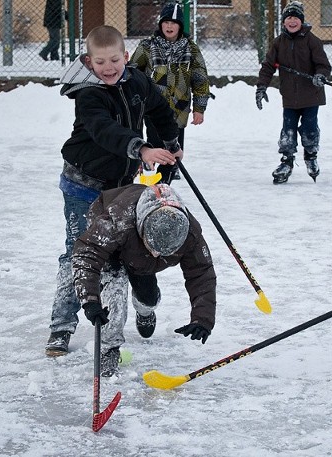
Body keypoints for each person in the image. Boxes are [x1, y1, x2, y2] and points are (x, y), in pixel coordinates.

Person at [45, 25, 183, 357]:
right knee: (79, 254)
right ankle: (61, 326)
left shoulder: (136, 80)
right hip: (83, 185)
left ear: (125, 56)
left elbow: (159, 110)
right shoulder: (89, 94)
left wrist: (170, 143)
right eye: (100, 62)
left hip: (119, 187)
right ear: (89, 62)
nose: (108, 68)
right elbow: (105, 130)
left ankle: (128, 313)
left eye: (113, 60)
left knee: (119, 256)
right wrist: (141, 149)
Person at [73, 183, 217, 377]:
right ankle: (109, 349)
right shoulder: (117, 222)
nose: (156, 254)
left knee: (148, 297)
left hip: (139, 259)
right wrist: (90, 300)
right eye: (153, 248)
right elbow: (87, 254)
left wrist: (202, 318)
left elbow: (201, 273)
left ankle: (145, 310)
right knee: (113, 301)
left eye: (164, 253)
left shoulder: (190, 234)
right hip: (114, 251)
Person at [129, 2, 211, 184]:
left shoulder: (191, 48)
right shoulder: (148, 46)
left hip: (179, 110)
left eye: (174, 23)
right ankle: (148, 180)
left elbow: (200, 79)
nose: (169, 26)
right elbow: (133, 74)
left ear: (180, 26)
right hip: (153, 110)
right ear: (160, 24)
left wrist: (200, 108)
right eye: (165, 22)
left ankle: (163, 185)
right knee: (154, 147)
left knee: (173, 153)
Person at [255, 1, 332, 184]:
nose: (292, 21)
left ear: (301, 21)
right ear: (283, 22)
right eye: (289, 17)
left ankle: (311, 156)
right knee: (287, 130)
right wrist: (261, 86)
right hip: (289, 97)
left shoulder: (312, 41)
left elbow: (323, 65)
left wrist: (320, 76)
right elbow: (267, 67)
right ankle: (286, 161)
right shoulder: (278, 43)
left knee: (309, 129)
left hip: (311, 95)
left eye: (295, 18)